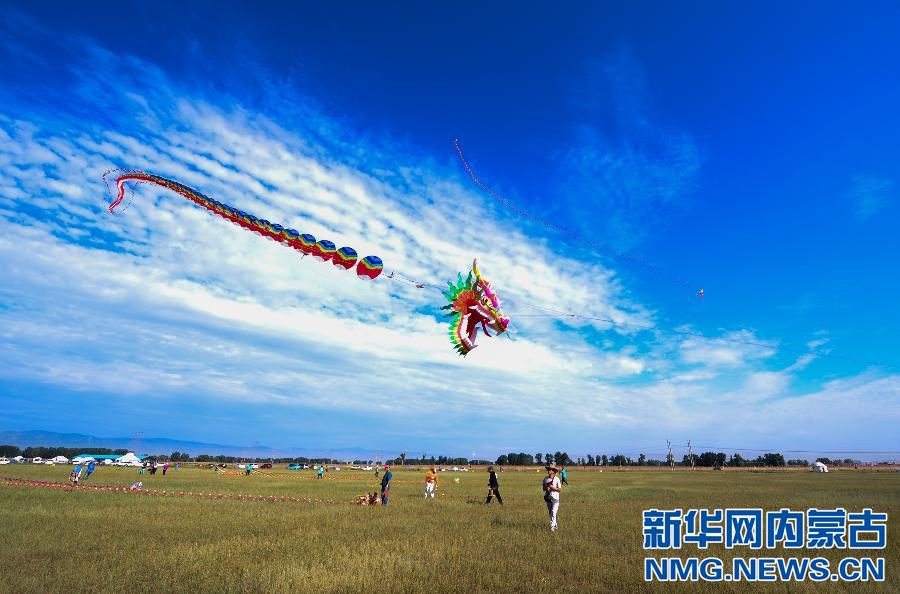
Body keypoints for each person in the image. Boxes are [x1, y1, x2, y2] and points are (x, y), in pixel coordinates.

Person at [543, 464, 562, 532]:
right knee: (551, 513)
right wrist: (547, 488)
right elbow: (544, 489)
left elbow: (559, 490)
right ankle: (555, 525)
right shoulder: (545, 479)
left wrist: (552, 487)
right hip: (548, 498)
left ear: (553, 471)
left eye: (550, 469)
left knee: (554, 512)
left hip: (556, 498)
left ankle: (552, 527)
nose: (548, 471)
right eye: (548, 469)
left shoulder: (557, 479)